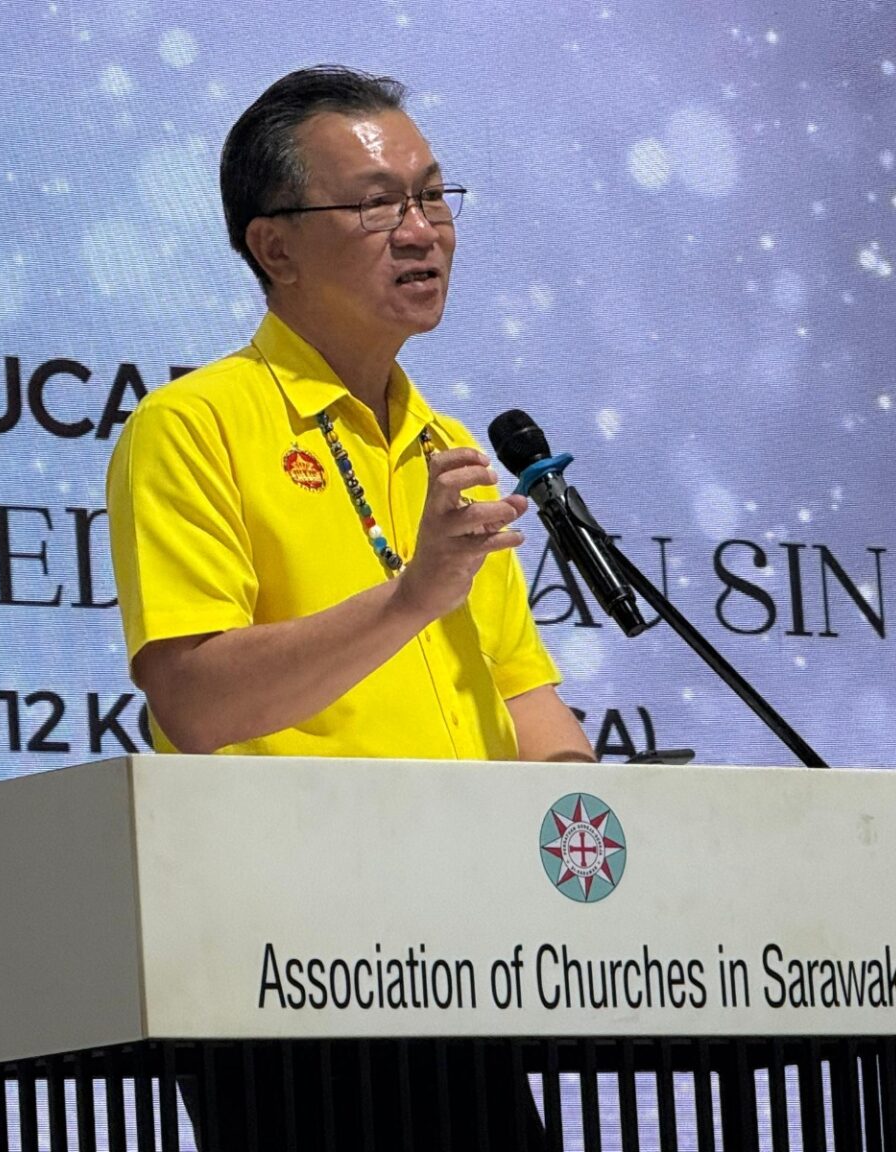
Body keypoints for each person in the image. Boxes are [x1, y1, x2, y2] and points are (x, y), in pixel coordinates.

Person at [105, 64, 593, 1147]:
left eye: (432, 195)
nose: (423, 232)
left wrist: (601, 825)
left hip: (471, 966)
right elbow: (195, 700)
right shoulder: (194, 426)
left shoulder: (445, 446)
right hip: (290, 975)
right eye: (377, 205)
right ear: (273, 245)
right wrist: (411, 596)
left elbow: (523, 698)